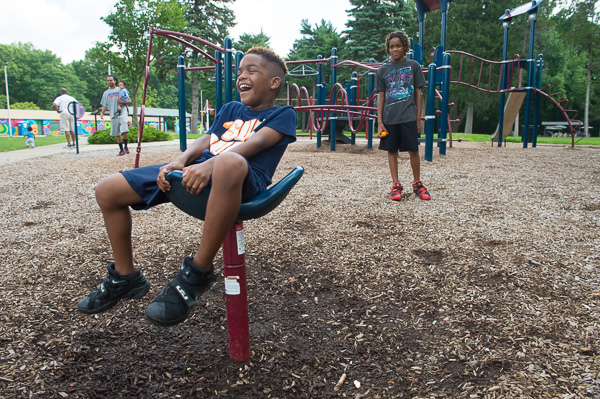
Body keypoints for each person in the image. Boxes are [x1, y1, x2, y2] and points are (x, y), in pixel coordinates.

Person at [77, 47, 297, 327]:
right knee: (107, 190)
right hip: (199, 171)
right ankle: (125, 277)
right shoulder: (231, 108)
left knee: (229, 161)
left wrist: (211, 166)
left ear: (274, 82)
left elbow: (255, 144)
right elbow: (206, 140)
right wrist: (178, 161)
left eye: (251, 71)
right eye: (239, 71)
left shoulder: (283, 114)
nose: (242, 76)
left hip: (242, 180)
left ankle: (197, 273)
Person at [376, 30, 431, 201]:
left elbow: (418, 93)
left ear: (405, 47)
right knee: (391, 151)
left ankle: (417, 183)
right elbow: (381, 96)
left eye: (398, 46)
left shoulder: (413, 66)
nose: (395, 49)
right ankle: (396, 185)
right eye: (391, 47)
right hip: (390, 118)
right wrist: (380, 122)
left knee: (413, 150)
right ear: (388, 49)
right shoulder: (383, 70)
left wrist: (418, 118)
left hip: (408, 116)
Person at [100, 75, 132, 156]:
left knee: (124, 128)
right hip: (113, 114)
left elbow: (129, 100)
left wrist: (122, 103)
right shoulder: (106, 93)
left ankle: (126, 146)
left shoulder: (120, 89)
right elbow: (104, 105)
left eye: (111, 80)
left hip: (122, 112)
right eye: (108, 80)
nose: (109, 82)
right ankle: (121, 150)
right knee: (116, 132)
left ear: (115, 81)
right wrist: (102, 112)